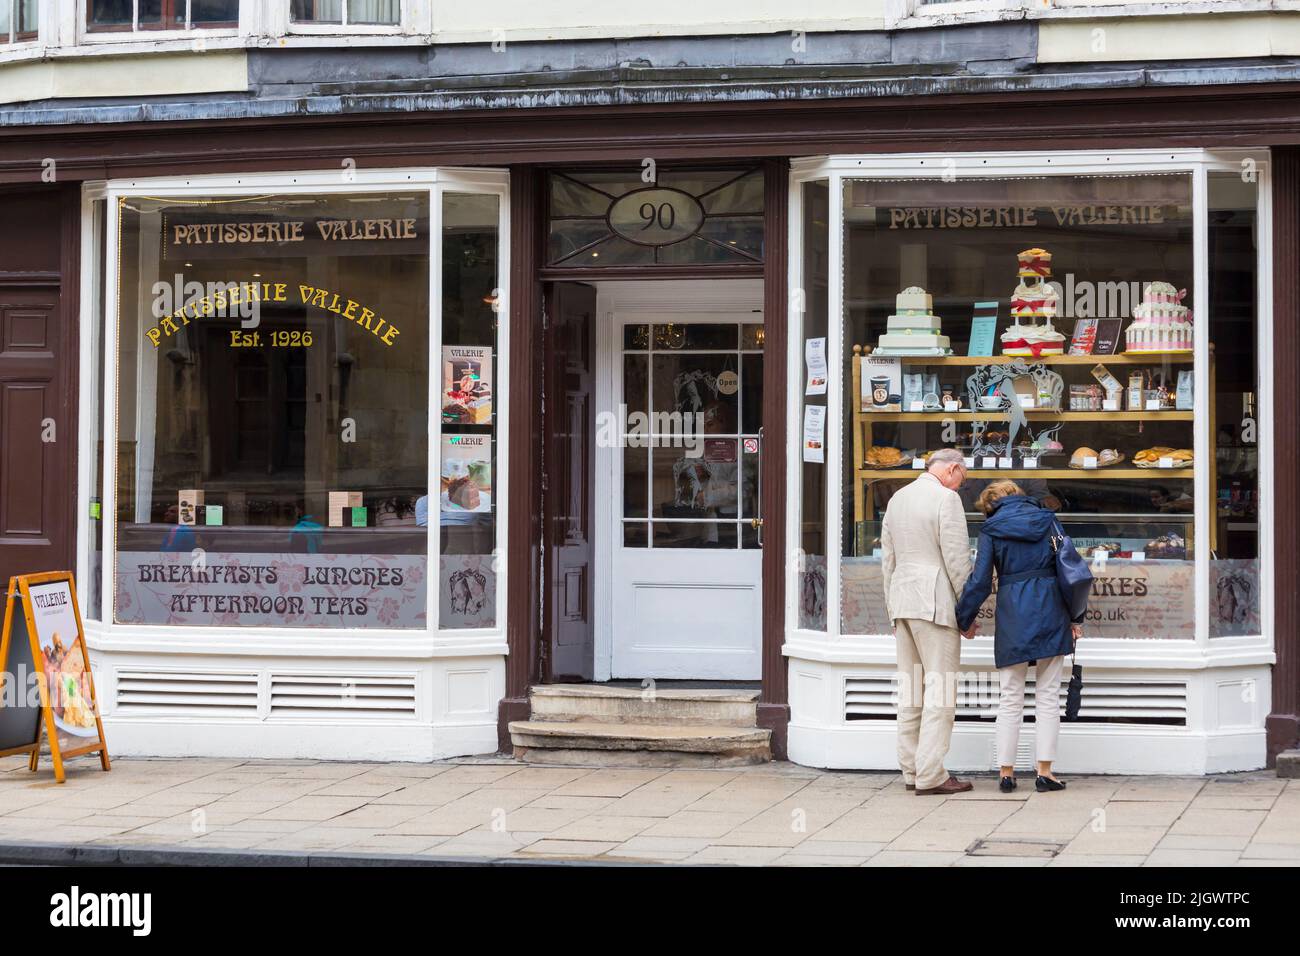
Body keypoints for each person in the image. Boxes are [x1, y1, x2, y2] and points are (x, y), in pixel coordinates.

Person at [955, 480, 1085, 794]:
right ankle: (1045, 772)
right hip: (1050, 607)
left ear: (992, 504)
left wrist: (963, 619)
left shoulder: (991, 529)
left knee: (1010, 696)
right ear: (1019, 495)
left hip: (1013, 611)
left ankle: (1006, 773)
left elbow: (981, 581)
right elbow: (1070, 570)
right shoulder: (1049, 520)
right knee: (1048, 695)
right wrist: (1075, 617)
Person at [880, 447, 974, 796]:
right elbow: (957, 560)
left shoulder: (897, 499)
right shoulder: (946, 500)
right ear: (952, 469)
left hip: (903, 601)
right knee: (940, 690)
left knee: (911, 690)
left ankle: (911, 769)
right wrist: (967, 612)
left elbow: (887, 560)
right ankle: (932, 774)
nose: (959, 487)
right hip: (934, 604)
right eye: (961, 480)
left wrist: (892, 607)